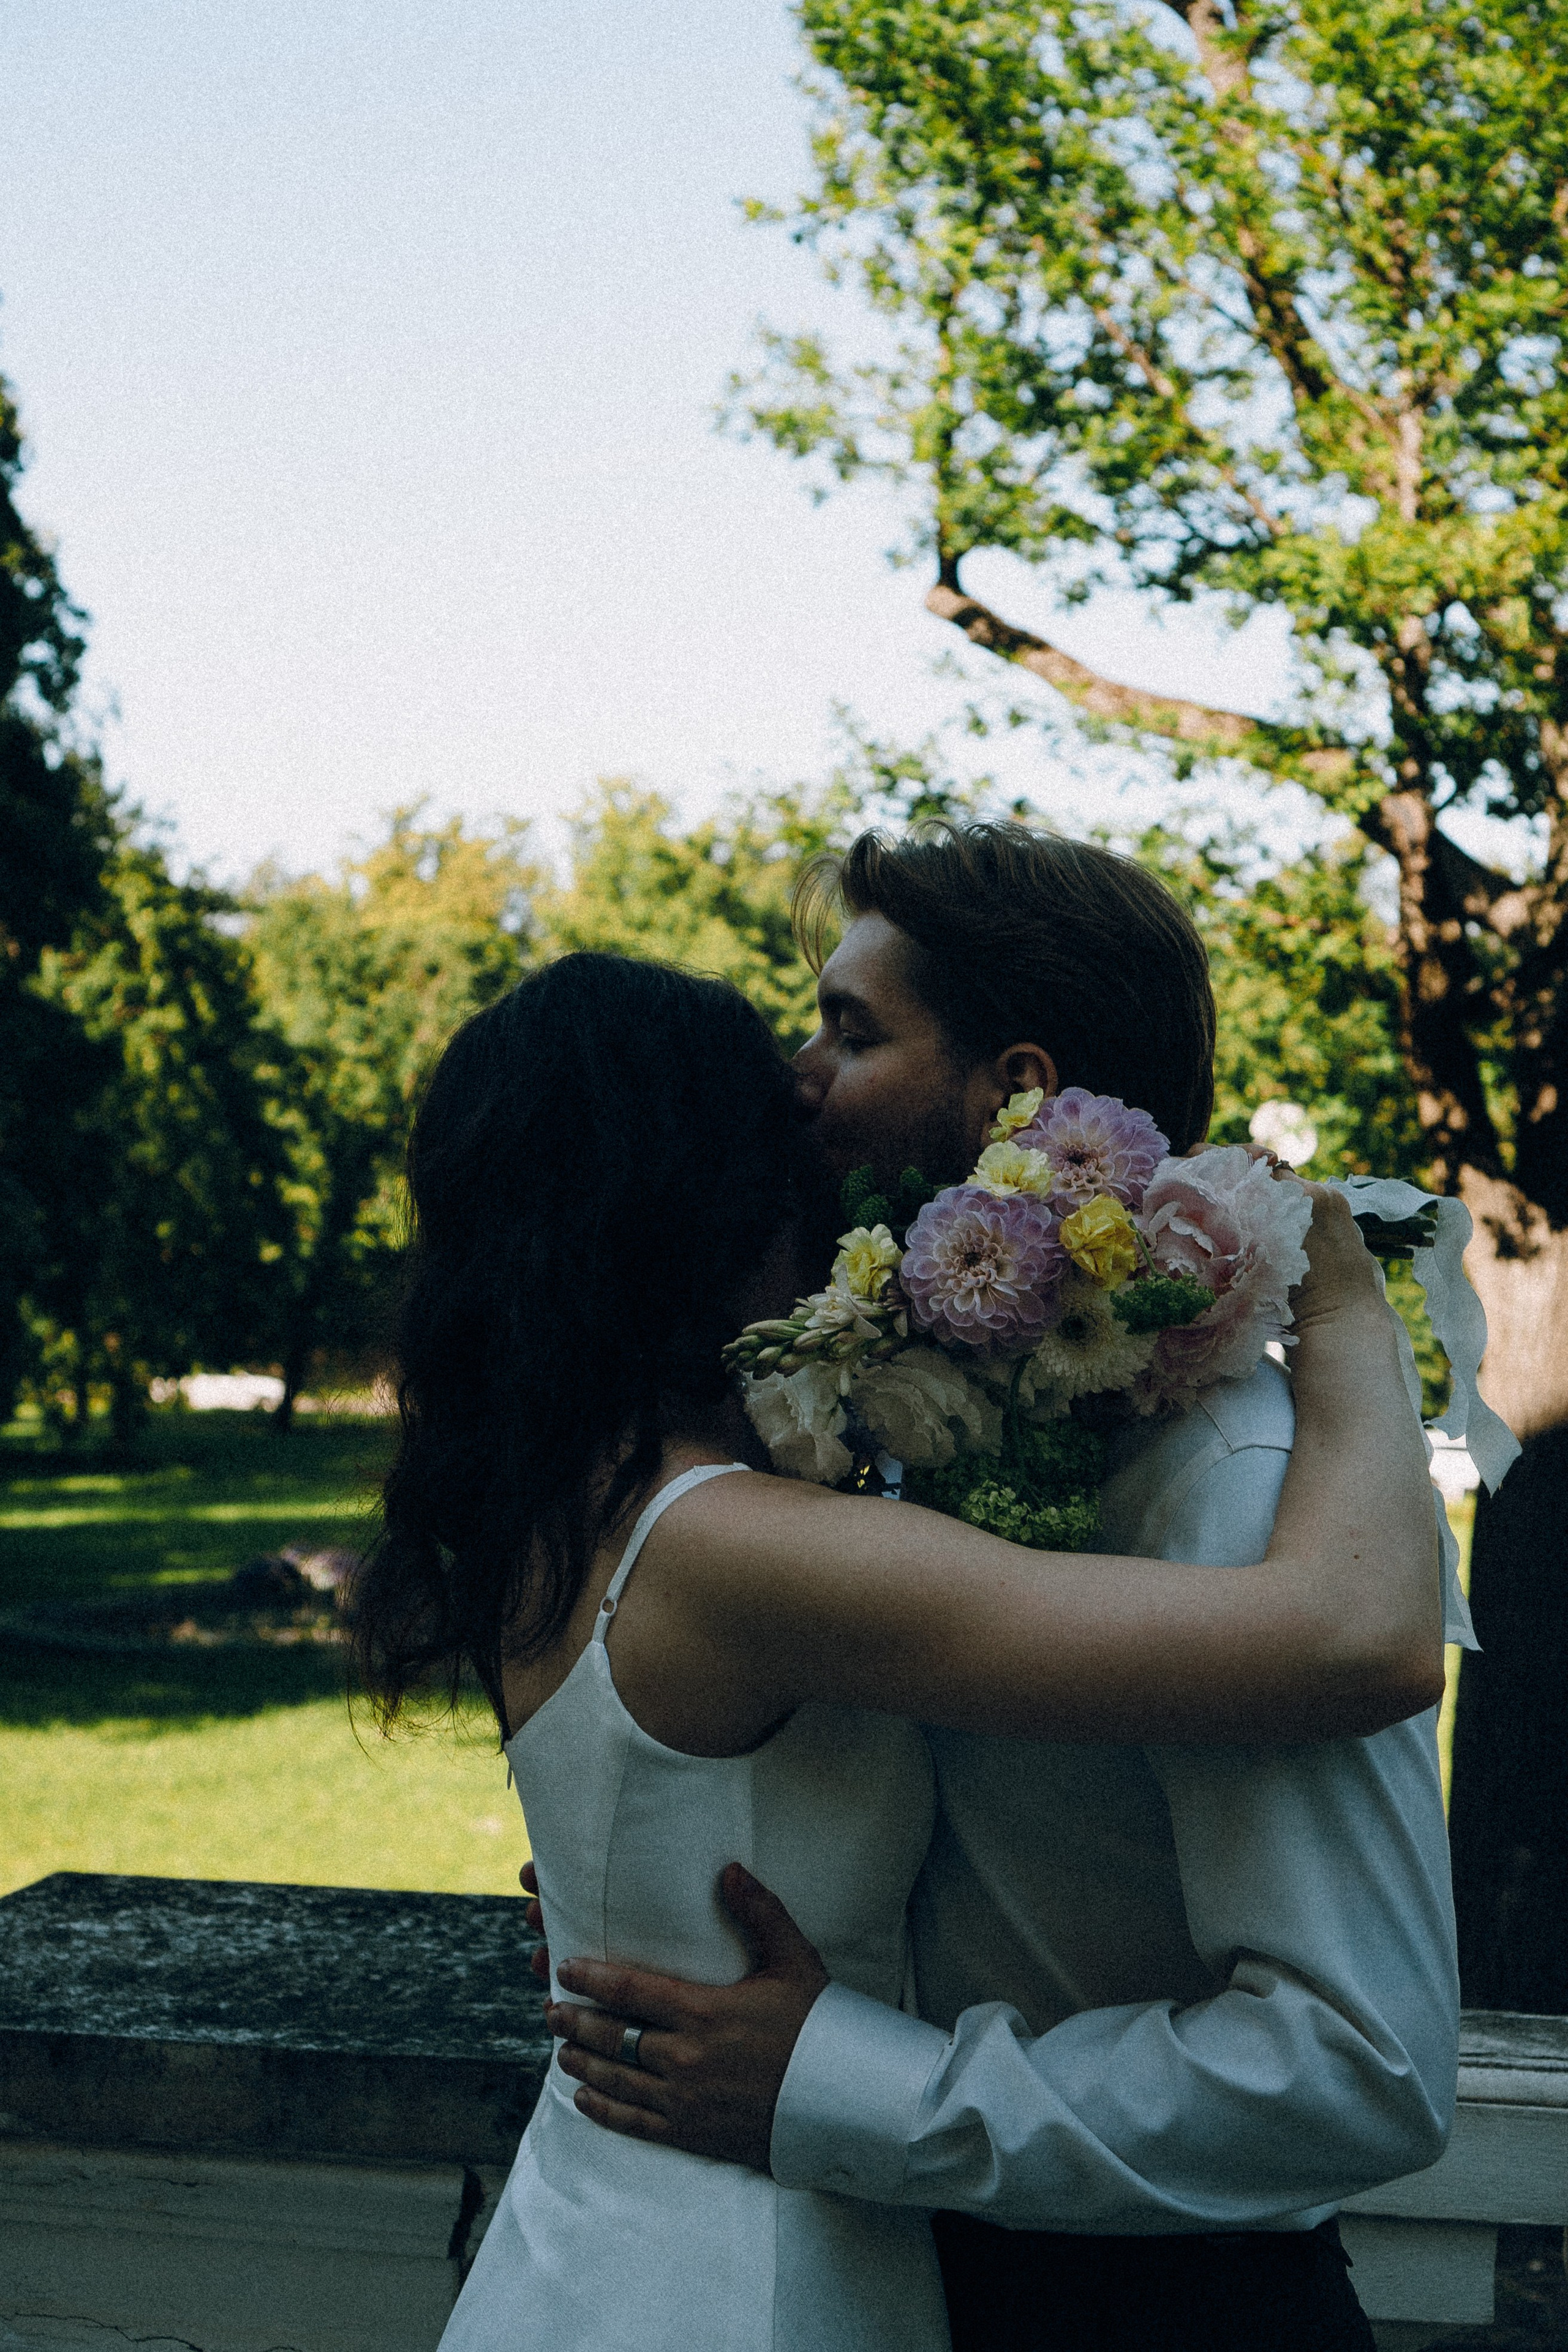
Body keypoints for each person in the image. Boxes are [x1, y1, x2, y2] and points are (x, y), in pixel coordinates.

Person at [352, 943, 1442, 2352]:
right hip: (745, 2271)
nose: (818, 1126)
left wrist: (629, 1903)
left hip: (611, 2227)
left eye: (847, 1038)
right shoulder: (737, 1547)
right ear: (712, 1191)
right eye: (782, 1123)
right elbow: (1354, 1641)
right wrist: (1345, 1312)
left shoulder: (577, 1496)